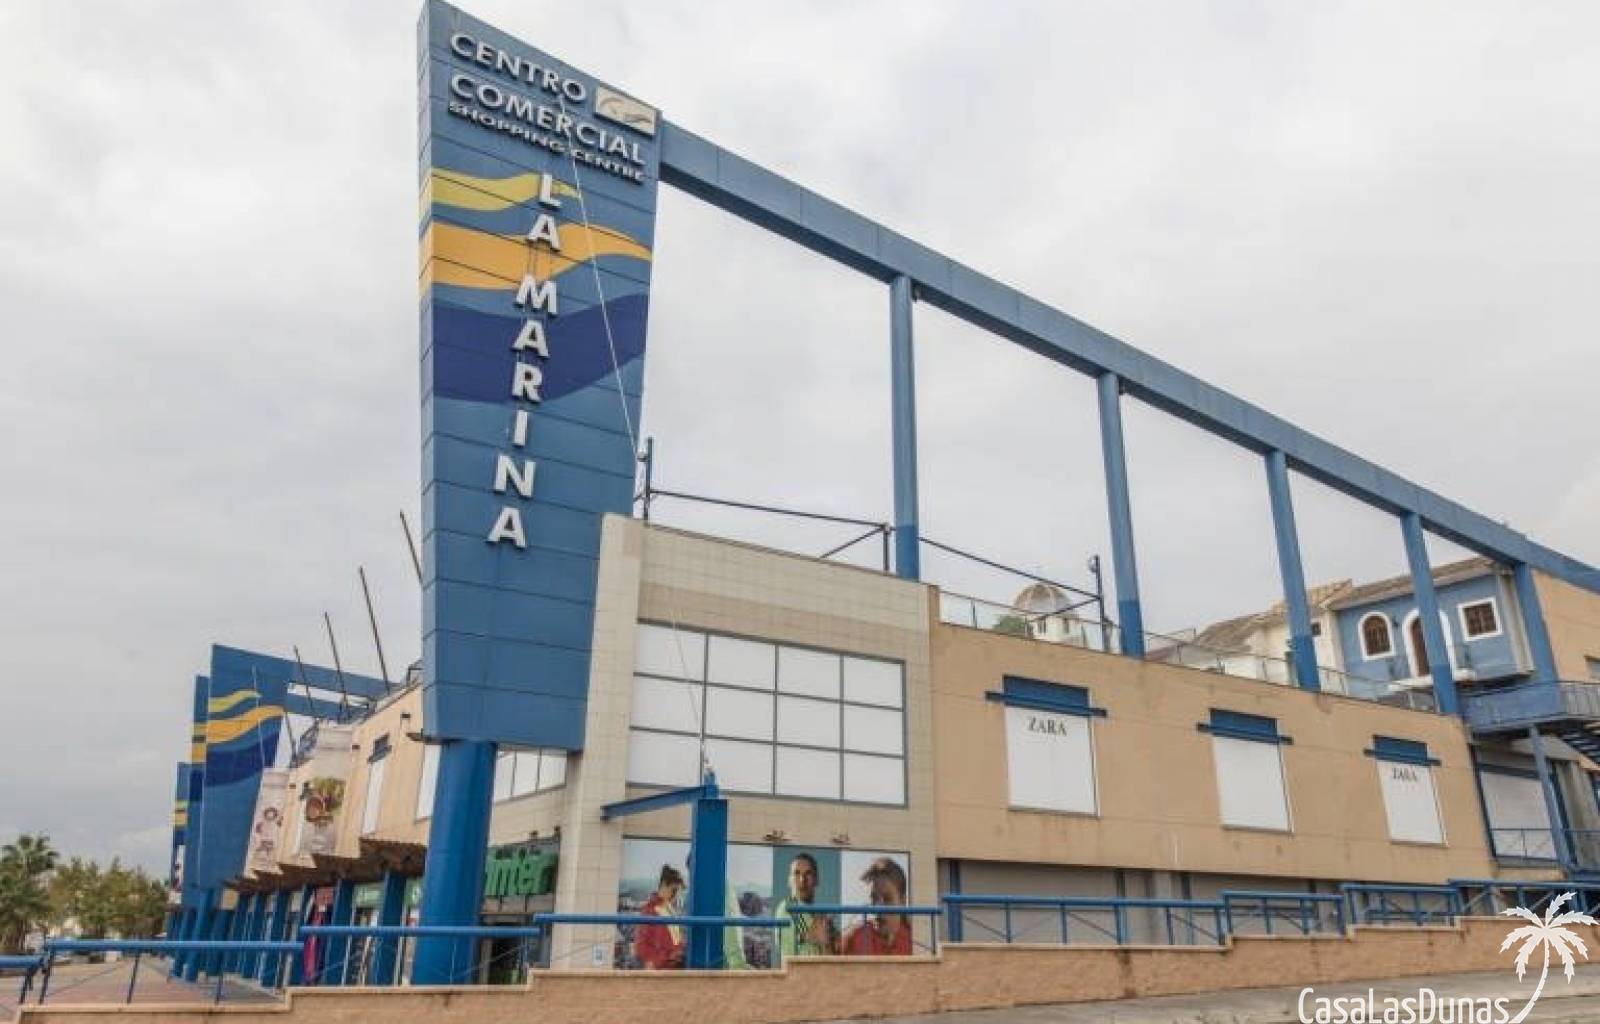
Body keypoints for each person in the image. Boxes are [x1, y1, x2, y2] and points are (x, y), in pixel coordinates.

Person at [840, 858, 912, 956]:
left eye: (887, 899)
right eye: (874, 898)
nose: (878, 907)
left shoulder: (915, 939)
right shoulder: (858, 938)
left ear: (902, 902)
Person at [776, 853, 838, 957]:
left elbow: (832, 956)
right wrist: (812, 935)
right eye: (796, 873)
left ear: (816, 879)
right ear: (789, 880)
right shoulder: (787, 907)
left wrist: (828, 943)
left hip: (821, 967)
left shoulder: (820, 915)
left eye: (808, 873)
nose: (802, 880)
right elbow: (788, 952)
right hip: (799, 968)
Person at [633, 865, 685, 969]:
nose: (675, 895)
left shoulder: (669, 909)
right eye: (674, 890)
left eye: (677, 891)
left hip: (671, 966)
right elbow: (641, 946)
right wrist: (665, 958)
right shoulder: (650, 911)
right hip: (662, 968)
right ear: (664, 885)